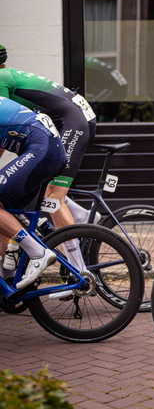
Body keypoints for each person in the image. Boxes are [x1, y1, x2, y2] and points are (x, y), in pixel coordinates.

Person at [0, 45, 98, 231]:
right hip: (75, 120)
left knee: (52, 197)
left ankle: (78, 260)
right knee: (42, 179)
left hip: (74, 123)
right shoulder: (7, 74)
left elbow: (1, 128)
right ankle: (82, 216)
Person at [0, 95, 68, 289]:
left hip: (42, 148)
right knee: (5, 208)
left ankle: (38, 253)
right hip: (46, 148)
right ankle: (8, 277)